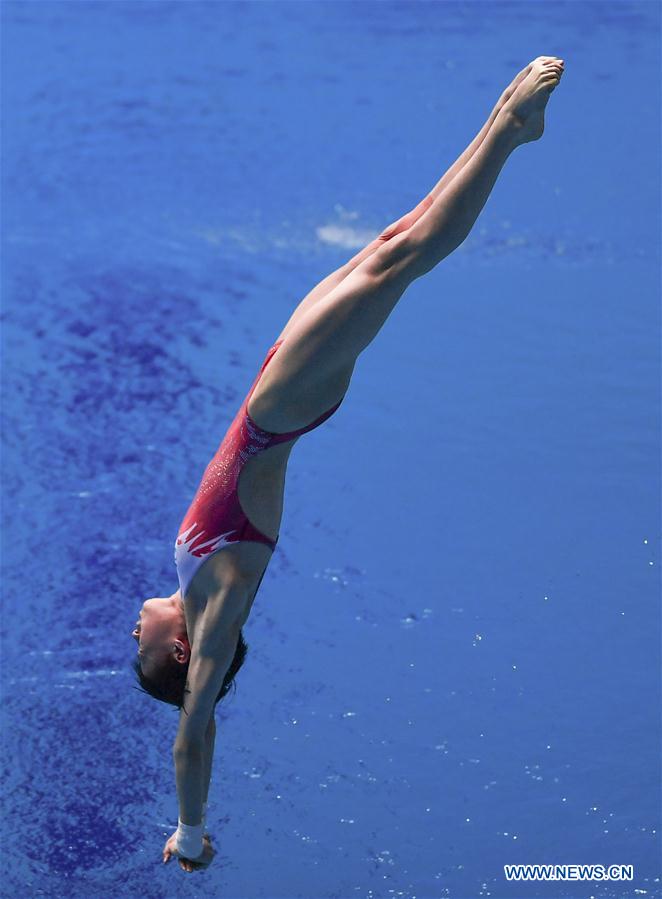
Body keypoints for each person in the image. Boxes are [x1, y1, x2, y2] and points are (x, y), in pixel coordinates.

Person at [131, 56, 565, 872]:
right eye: (144, 646)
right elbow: (195, 732)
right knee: (405, 260)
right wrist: (190, 830)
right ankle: (508, 130)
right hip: (280, 414)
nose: (135, 627)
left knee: (391, 241)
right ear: (182, 653)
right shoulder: (219, 608)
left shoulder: (197, 585)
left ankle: (507, 118)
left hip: (272, 394)